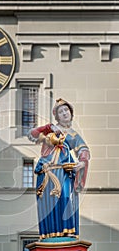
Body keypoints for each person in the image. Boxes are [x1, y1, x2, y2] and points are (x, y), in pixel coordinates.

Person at [28, 98, 90, 240]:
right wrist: (47, 128)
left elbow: (83, 149)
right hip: (46, 171)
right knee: (46, 203)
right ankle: (49, 233)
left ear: (71, 113)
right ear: (56, 116)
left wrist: (82, 162)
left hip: (64, 172)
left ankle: (67, 231)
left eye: (66, 110)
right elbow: (32, 134)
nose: (64, 113)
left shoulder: (73, 135)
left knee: (66, 198)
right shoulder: (51, 130)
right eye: (60, 111)